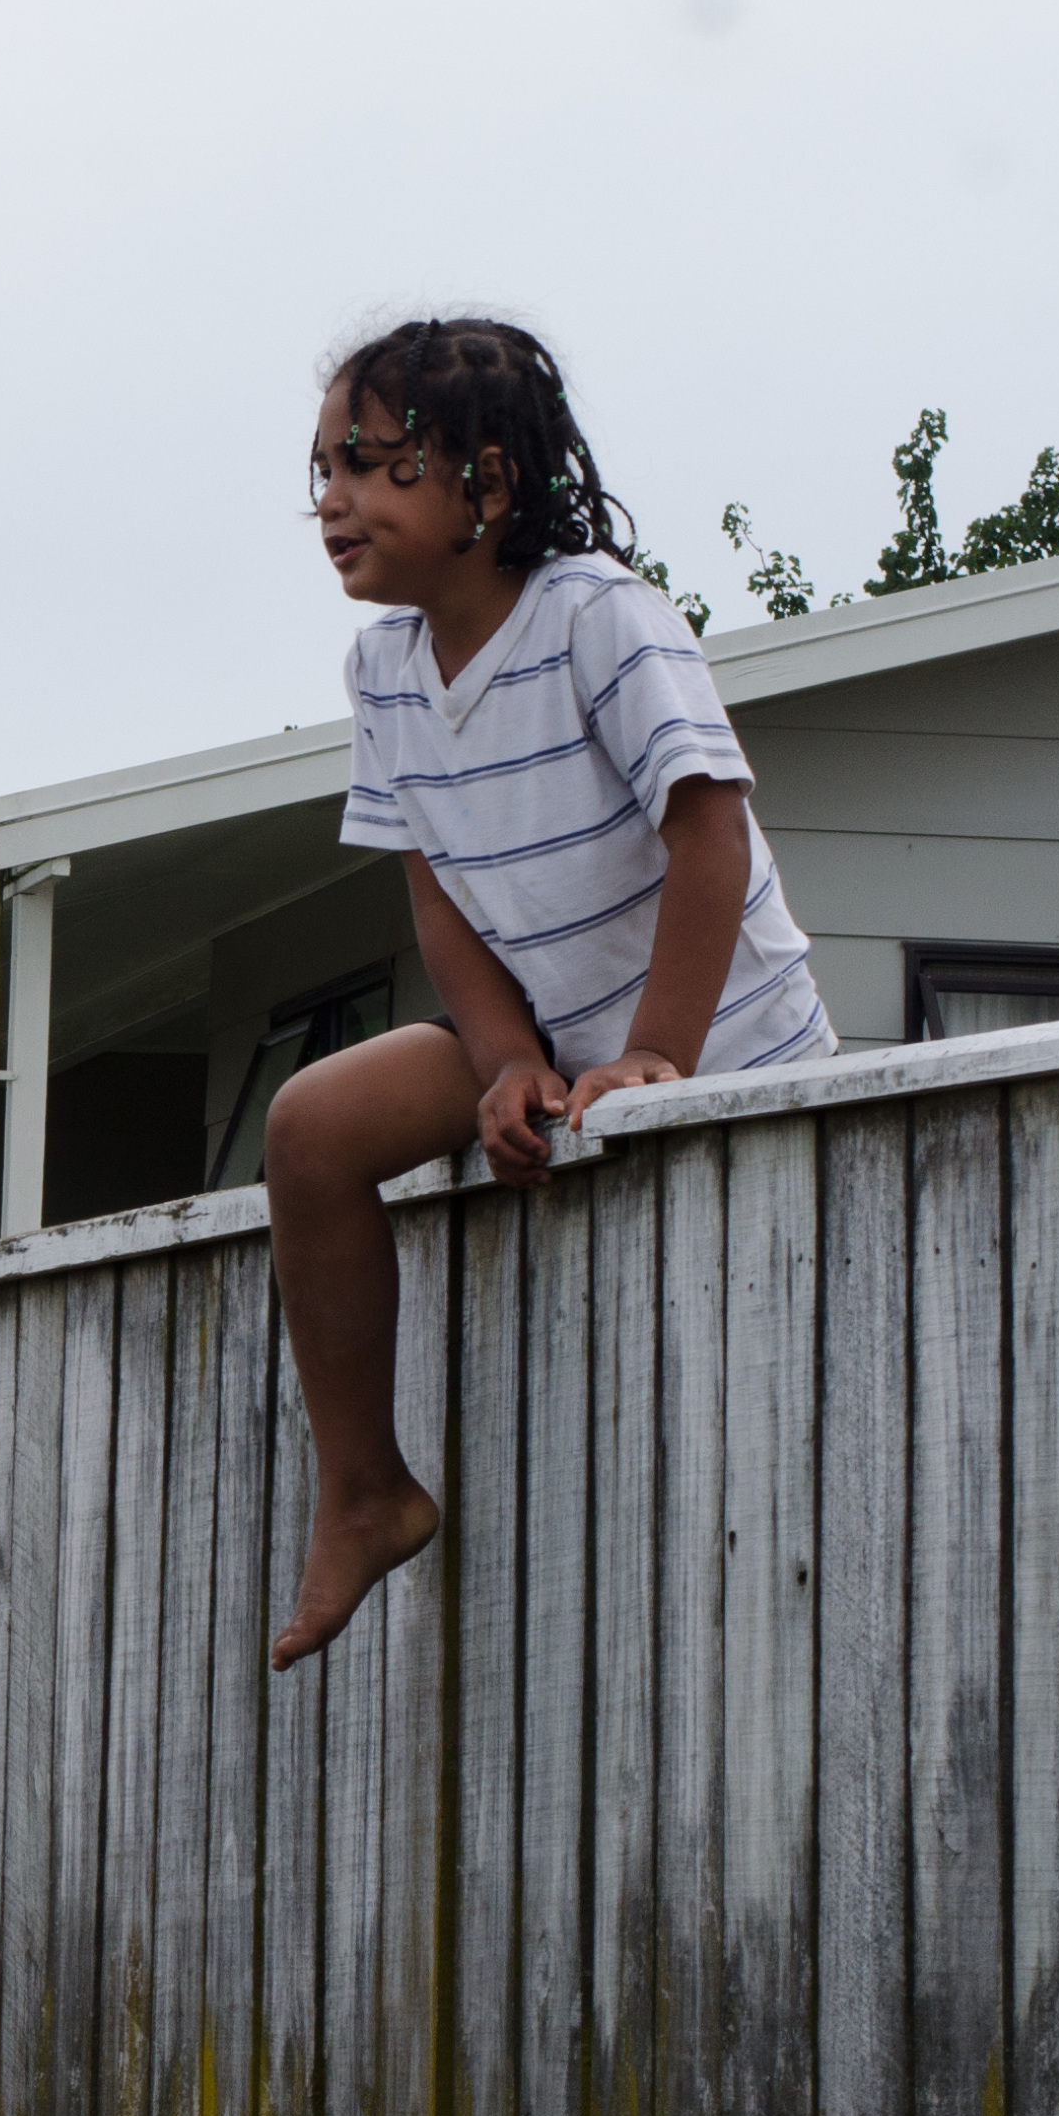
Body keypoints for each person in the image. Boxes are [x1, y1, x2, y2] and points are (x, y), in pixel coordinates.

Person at [263, 317, 835, 1671]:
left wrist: (655, 1056)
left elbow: (709, 836)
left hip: (728, 1051)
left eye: (376, 465)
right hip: (564, 1047)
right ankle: (366, 1492)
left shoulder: (596, 616)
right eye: (324, 470)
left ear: (489, 483)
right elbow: (439, 895)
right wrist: (507, 1058)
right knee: (308, 1128)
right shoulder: (384, 671)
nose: (336, 499)